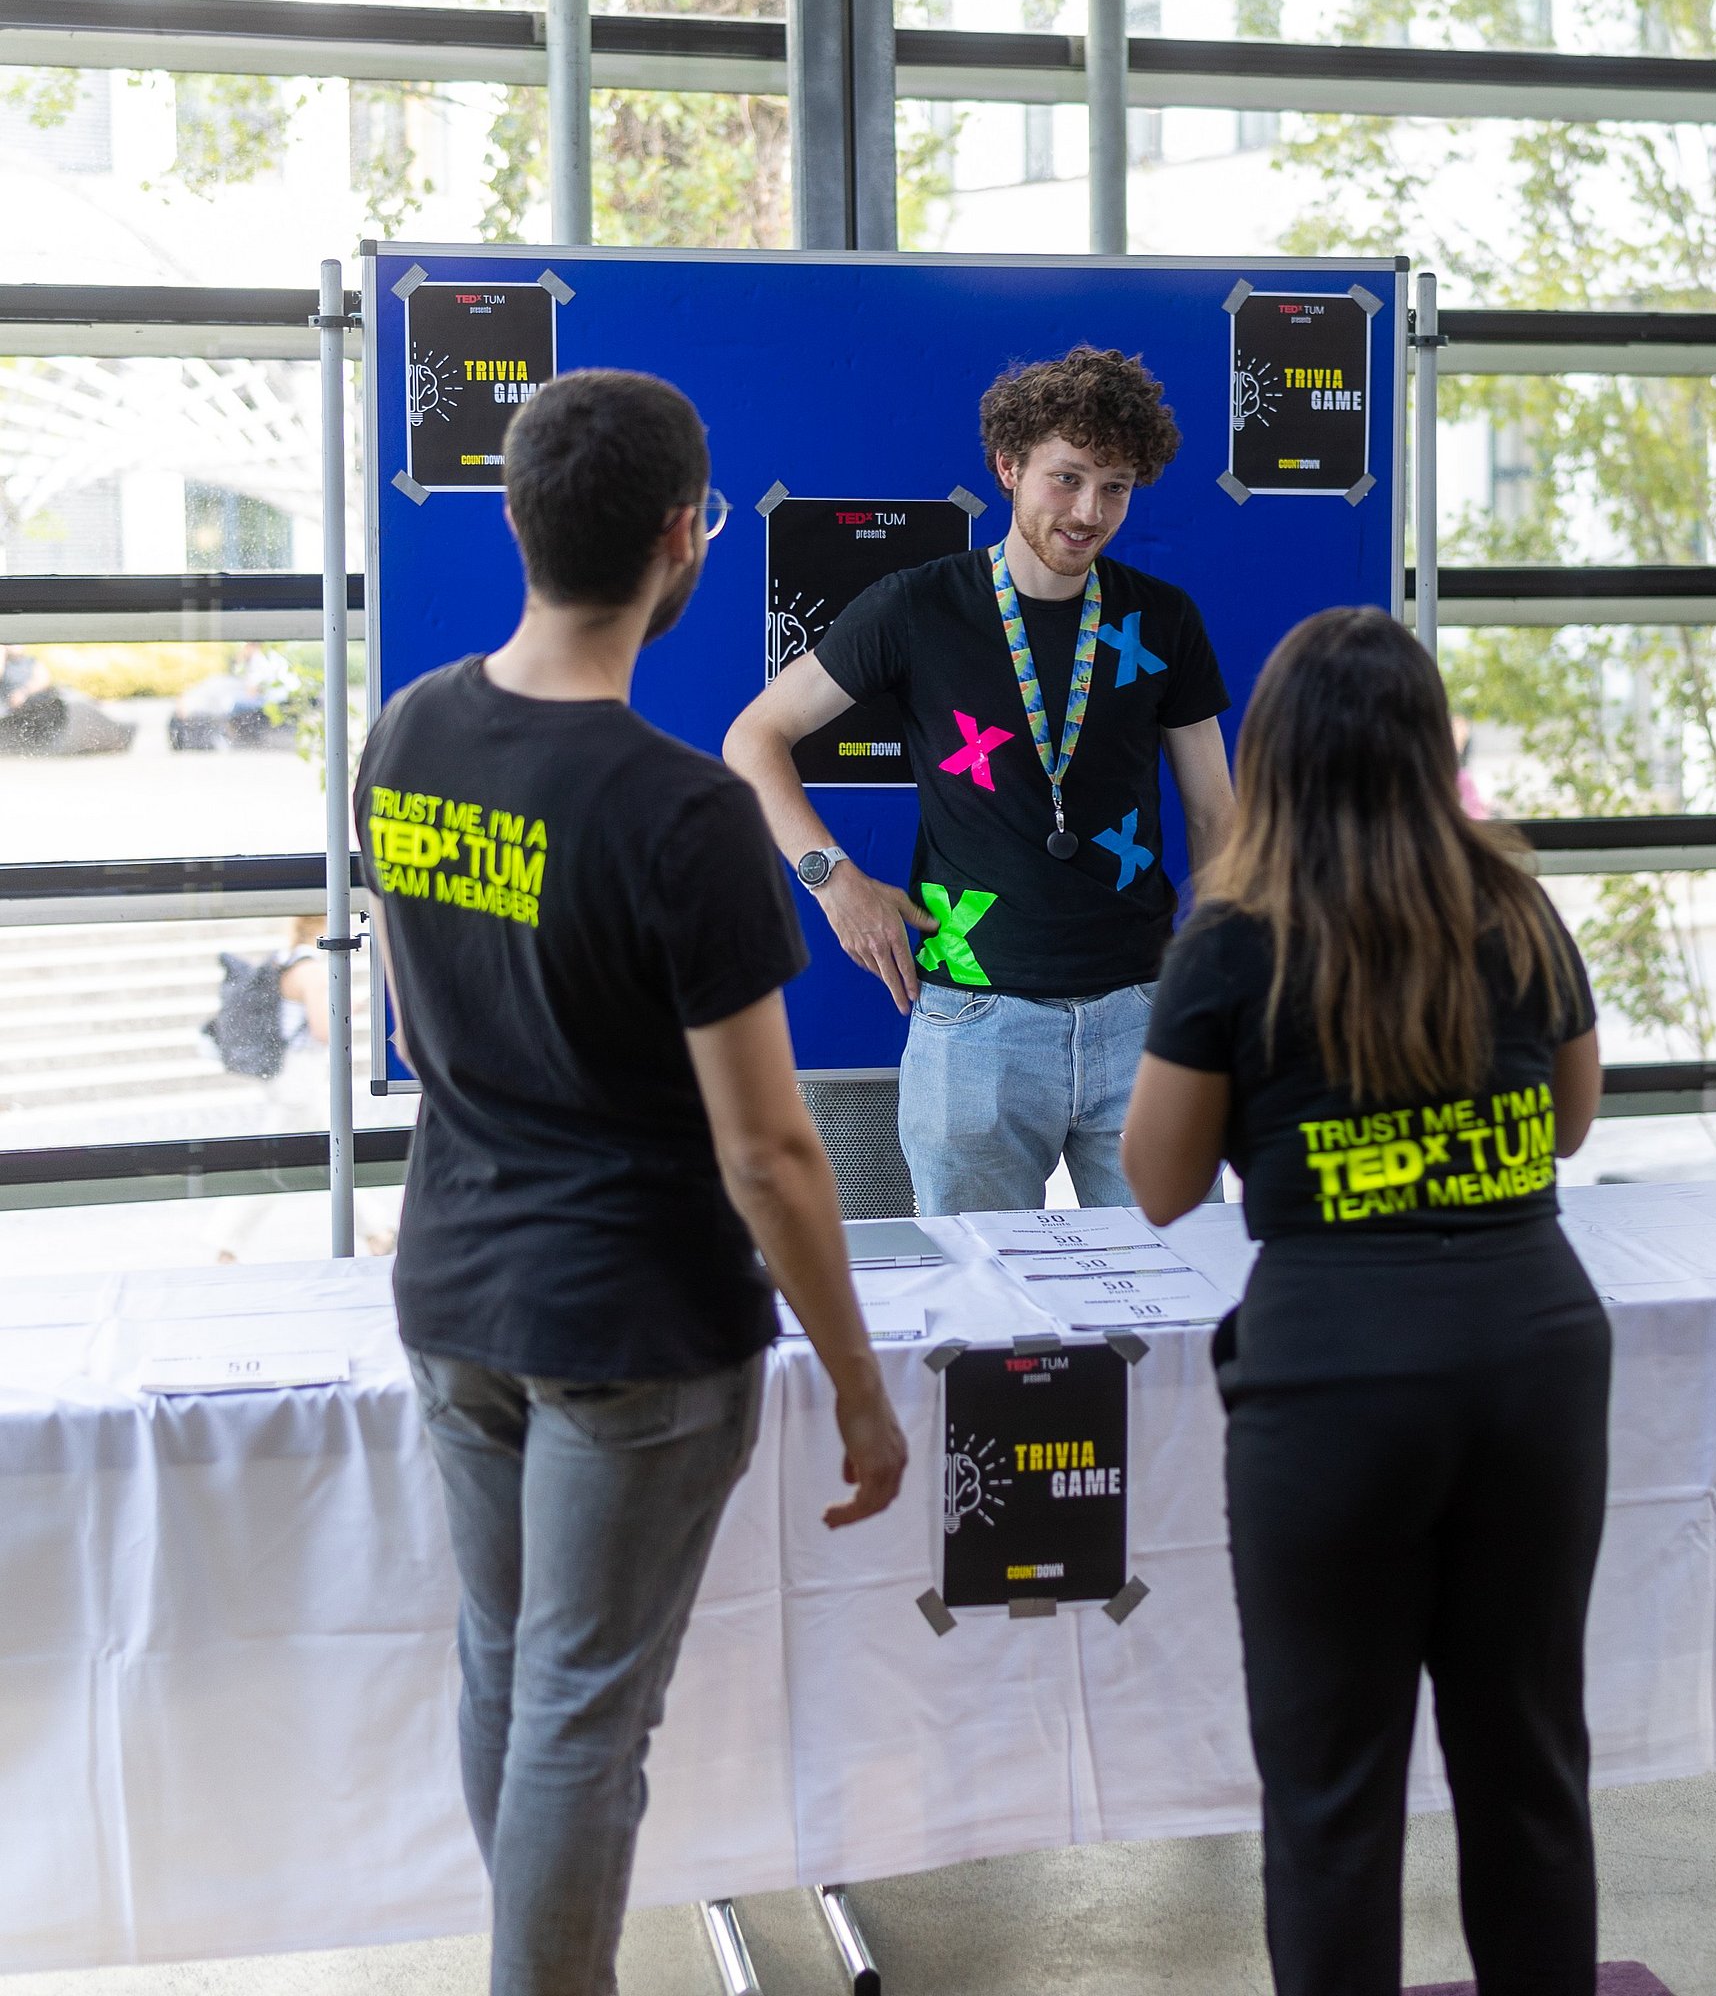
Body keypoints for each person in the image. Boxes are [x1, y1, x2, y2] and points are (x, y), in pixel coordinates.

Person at [353, 367, 907, 1996]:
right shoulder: (682, 814)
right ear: (682, 542)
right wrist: (863, 1390)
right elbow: (769, 1151)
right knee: (580, 1715)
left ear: (520, 521)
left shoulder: (412, 730)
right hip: (632, 1334)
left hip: (458, 1293)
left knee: (512, 1676)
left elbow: (409, 1017)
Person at [1122, 607, 1608, 1996]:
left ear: (1271, 755)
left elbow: (1156, 1182)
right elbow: (1570, 1128)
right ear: (1425, 747)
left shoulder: (1233, 939)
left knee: (1331, 1799)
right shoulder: (1515, 909)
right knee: (1531, 1772)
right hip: (1533, 1357)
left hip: (1333, 1381)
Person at [724, 345, 1236, 1213]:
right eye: (1066, 479)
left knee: (1176, 1304)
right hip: (974, 1023)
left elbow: (1217, 818)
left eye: (1115, 487)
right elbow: (753, 736)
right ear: (1008, 467)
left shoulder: (1163, 619)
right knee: (982, 1327)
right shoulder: (917, 607)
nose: (1090, 513)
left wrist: (1222, 970)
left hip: (1142, 1014)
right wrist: (831, 878)